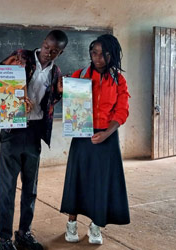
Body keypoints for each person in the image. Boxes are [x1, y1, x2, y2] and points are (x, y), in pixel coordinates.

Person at [0, 30, 68, 250]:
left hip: (35, 131)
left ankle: (24, 233)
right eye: (47, 47)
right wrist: (18, 95)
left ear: (60, 52)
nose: (48, 53)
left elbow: (57, 96)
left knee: (31, 187)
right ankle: (5, 239)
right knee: (7, 187)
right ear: (42, 43)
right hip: (13, 131)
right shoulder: (20, 57)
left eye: (54, 51)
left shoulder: (56, 72)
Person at [60, 34, 130, 245]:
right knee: (78, 179)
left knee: (101, 182)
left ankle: (95, 226)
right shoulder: (79, 75)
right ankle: (71, 223)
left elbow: (122, 110)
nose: (98, 58)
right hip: (82, 135)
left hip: (107, 137)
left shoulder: (119, 80)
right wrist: (62, 89)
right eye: (94, 53)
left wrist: (106, 133)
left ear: (113, 55)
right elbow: (64, 96)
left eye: (103, 54)